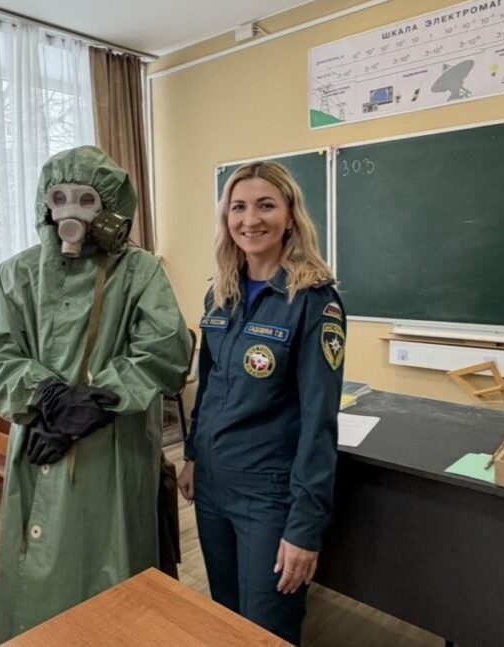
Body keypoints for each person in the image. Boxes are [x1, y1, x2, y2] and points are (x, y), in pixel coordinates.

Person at [0, 145, 191, 645]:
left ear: (110, 207)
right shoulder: (17, 274)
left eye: (86, 199)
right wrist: (47, 395)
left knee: (111, 562)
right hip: (40, 436)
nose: (70, 211)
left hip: (113, 444)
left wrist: (98, 398)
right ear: (44, 205)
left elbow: (164, 349)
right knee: (37, 570)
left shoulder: (140, 272)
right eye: (59, 198)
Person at [177, 161, 345, 645]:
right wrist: (192, 456)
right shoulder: (219, 294)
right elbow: (209, 386)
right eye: (239, 207)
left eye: (265, 205)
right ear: (226, 218)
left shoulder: (314, 301)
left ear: (290, 216)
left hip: (267, 495)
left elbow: (319, 421)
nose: (250, 219)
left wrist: (304, 528)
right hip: (213, 486)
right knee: (225, 619)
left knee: (266, 630)